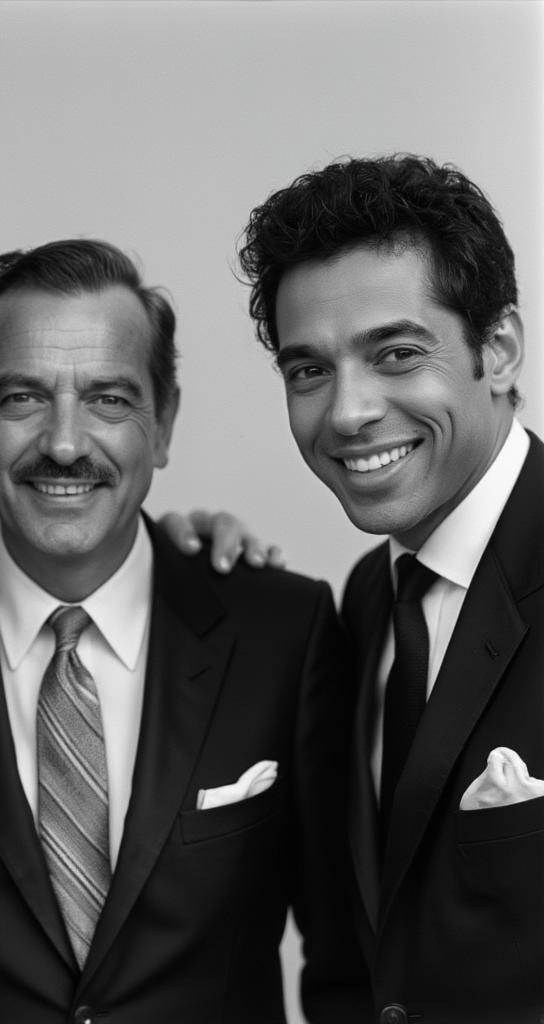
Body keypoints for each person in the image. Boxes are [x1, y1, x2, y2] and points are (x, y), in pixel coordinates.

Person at [0, 239, 370, 1023]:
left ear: (163, 423)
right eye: (22, 397)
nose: (65, 443)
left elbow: (350, 963)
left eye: (109, 399)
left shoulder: (284, 633)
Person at [234, 155, 542, 1023]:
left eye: (397, 354)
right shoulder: (369, 599)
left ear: (501, 348)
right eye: (309, 371)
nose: (347, 412)